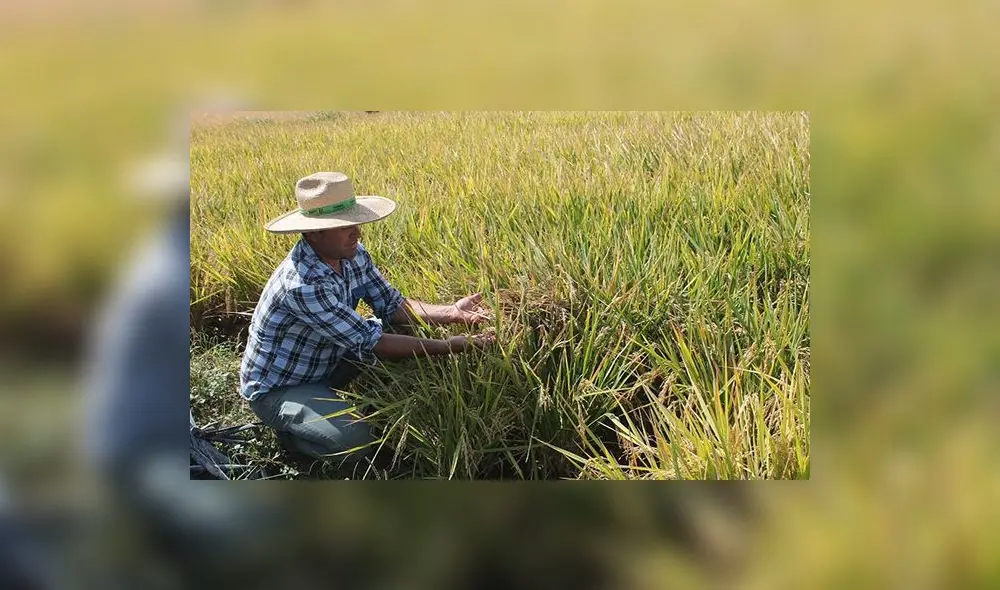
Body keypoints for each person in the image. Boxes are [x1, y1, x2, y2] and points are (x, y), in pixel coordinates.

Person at [240, 171, 496, 464]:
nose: (357, 233)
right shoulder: (302, 284)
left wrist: (450, 312)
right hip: (282, 386)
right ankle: (293, 439)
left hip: (330, 359)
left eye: (356, 224)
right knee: (355, 444)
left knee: (403, 330)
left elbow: (392, 305)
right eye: (345, 226)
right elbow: (371, 341)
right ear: (313, 233)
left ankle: (327, 407)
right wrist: (450, 345)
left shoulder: (352, 254)